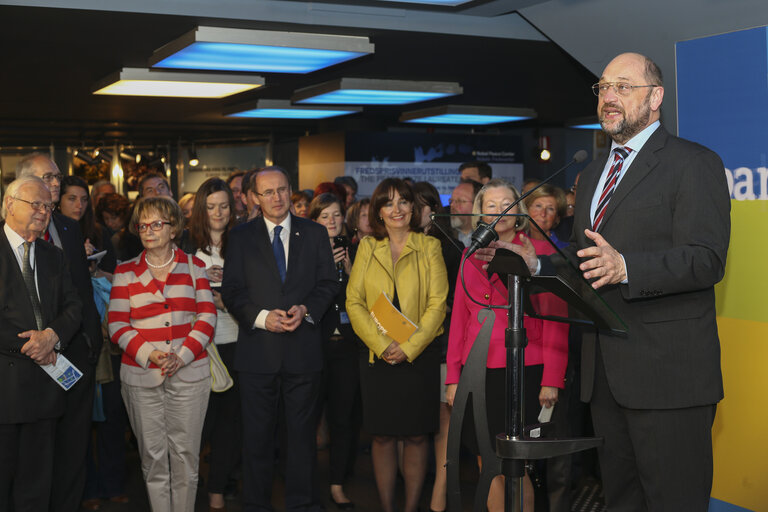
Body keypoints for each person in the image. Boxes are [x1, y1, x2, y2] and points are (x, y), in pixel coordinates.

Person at [491, 52, 730, 511]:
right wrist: (536, 264)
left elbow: (706, 260)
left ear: (655, 97)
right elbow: (587, 264)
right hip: (604, 377)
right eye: (603, 87)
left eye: (624, 86)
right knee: (621, 501)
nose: (609, 97)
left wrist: (629, 267)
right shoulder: (592, 173)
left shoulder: (693, 164)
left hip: (669, 378)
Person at [445, 179, 568, 512]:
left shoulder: (540, 256)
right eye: (491, 206)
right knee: (488, 462)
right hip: (478, 371)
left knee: (517, 466)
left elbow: (557, 320)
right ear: (480, 213)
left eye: (507, 205)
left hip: (525, 370)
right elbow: (459, 318)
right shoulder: (469, 254)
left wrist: (552, 378)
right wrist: (453, 376)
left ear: (519, 212)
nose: (499, 212)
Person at [221, 166, 338, 512]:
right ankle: (256, 505)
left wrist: (306, 309)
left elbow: (328, 284)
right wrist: (262, 318)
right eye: (268, 192)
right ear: (254, 198)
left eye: (283, 190)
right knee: (256, 440)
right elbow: (233, 291)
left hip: (303, 353)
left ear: (291, 191)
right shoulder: (241, 237)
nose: (277, 198)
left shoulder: (314, 233)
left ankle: (303, 505)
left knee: (302, 441)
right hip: (258, 354)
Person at [108, 196, 216, 512]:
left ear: (173, 229)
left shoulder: (195, 266)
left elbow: (208, 316)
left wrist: (181, 355)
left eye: (157, 224)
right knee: (152, 457)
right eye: (143, 225)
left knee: (185, 455)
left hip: (189, 373)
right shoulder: (125, 271)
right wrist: (151, 354)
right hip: (141, 377)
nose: (148, 230)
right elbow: (116, 324)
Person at [346, 178, 448, 512]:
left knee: (418, 436)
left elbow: (438, 305)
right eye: (388, 203)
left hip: (419, 355)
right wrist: (381, 343)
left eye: (403, 201)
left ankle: (411, 508)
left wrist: (410, 347)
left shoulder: (429, 246)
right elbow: (354, 302)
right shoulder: (366, 247)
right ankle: (388, 508)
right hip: (378, 357)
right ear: (377, 211)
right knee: (382, 436)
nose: (397, 209)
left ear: (413, 207)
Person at [16, 153, 104, 512]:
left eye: (56, 178)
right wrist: (43, 341)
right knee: (33, 453)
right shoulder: (11, 232)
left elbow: (80, 293)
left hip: (74, 355)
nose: (56, 184)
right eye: (47, 178)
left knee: (73, 445)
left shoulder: (68, 227)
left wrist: (88, 341)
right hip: (26, 359)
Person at [0, 176, 82, 511]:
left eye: (48, 206)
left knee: (37, 484)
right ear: (9, 204)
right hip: (5, 385)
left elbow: (74, 306)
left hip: (45, 386)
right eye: (35, 204)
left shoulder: (52, 255)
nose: (43, 211)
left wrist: (51, 336)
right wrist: (29, 344)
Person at [180, 178, 241, 512]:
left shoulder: (244, 242)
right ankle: (186, 488)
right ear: (201, 209)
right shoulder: (185, 246)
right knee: (196, 426)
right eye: (211, 205)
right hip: (197, 347)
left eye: (224, 205)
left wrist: (226, 296)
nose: (218, 212)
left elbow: (255, 294)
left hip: (235, 343)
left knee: (229, 425)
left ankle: (217, 489)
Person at [412, 181, 463, 512]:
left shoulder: (449, 246)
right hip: (409, 346)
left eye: (417, 205)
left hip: (443, 344)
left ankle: (440, 493)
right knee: (419, 424)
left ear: (433, 207)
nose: (411, 212)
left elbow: (457, 304)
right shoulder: (396, 244)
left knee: (445, 424)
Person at [308, 193, 359, 509]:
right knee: (309, 420)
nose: (331, 220)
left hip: (349, 346)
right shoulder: (305, 253)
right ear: (313, 220)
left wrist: (350, 268)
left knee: (343, 420)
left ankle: (338, 484)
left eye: (336, 214)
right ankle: (308, 484)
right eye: (324, 215)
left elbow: (368, 296)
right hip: (314, 345)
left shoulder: (356, 250)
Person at [59, 175, 118, 273]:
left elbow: (114, 274)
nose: (79, 205)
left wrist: (94, 270)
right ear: (59, 201)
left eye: (84, 199)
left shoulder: (98, 232)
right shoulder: (50, 231)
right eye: (72, 199)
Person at [524, 183, 568, 249]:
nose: (543, 214)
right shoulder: (516, 243)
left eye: (550, 209)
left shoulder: (565, 248)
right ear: (527, 209)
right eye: (538, 206)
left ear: (557, 218)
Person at [449, 179, 482, 248]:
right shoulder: (444, 234)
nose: (452, 205)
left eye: (459, 201)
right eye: (451, 201)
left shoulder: (487, 236)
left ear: (477, 205)